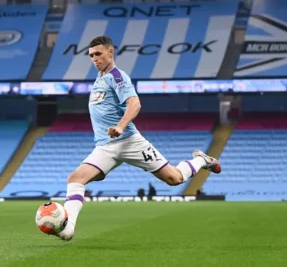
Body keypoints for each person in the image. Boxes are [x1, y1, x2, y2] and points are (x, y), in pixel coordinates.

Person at [57, 36, 221, 241]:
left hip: (129, 142)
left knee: (174, 178)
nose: (94, 59)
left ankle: (201, 160)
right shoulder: (100, 79)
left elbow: (135, 104)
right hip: (105, 147)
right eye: (91, 55)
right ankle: (68, 228)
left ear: (111, 52)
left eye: (98, 54)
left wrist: (120, 126)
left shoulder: (118, 77)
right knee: (75, 179)